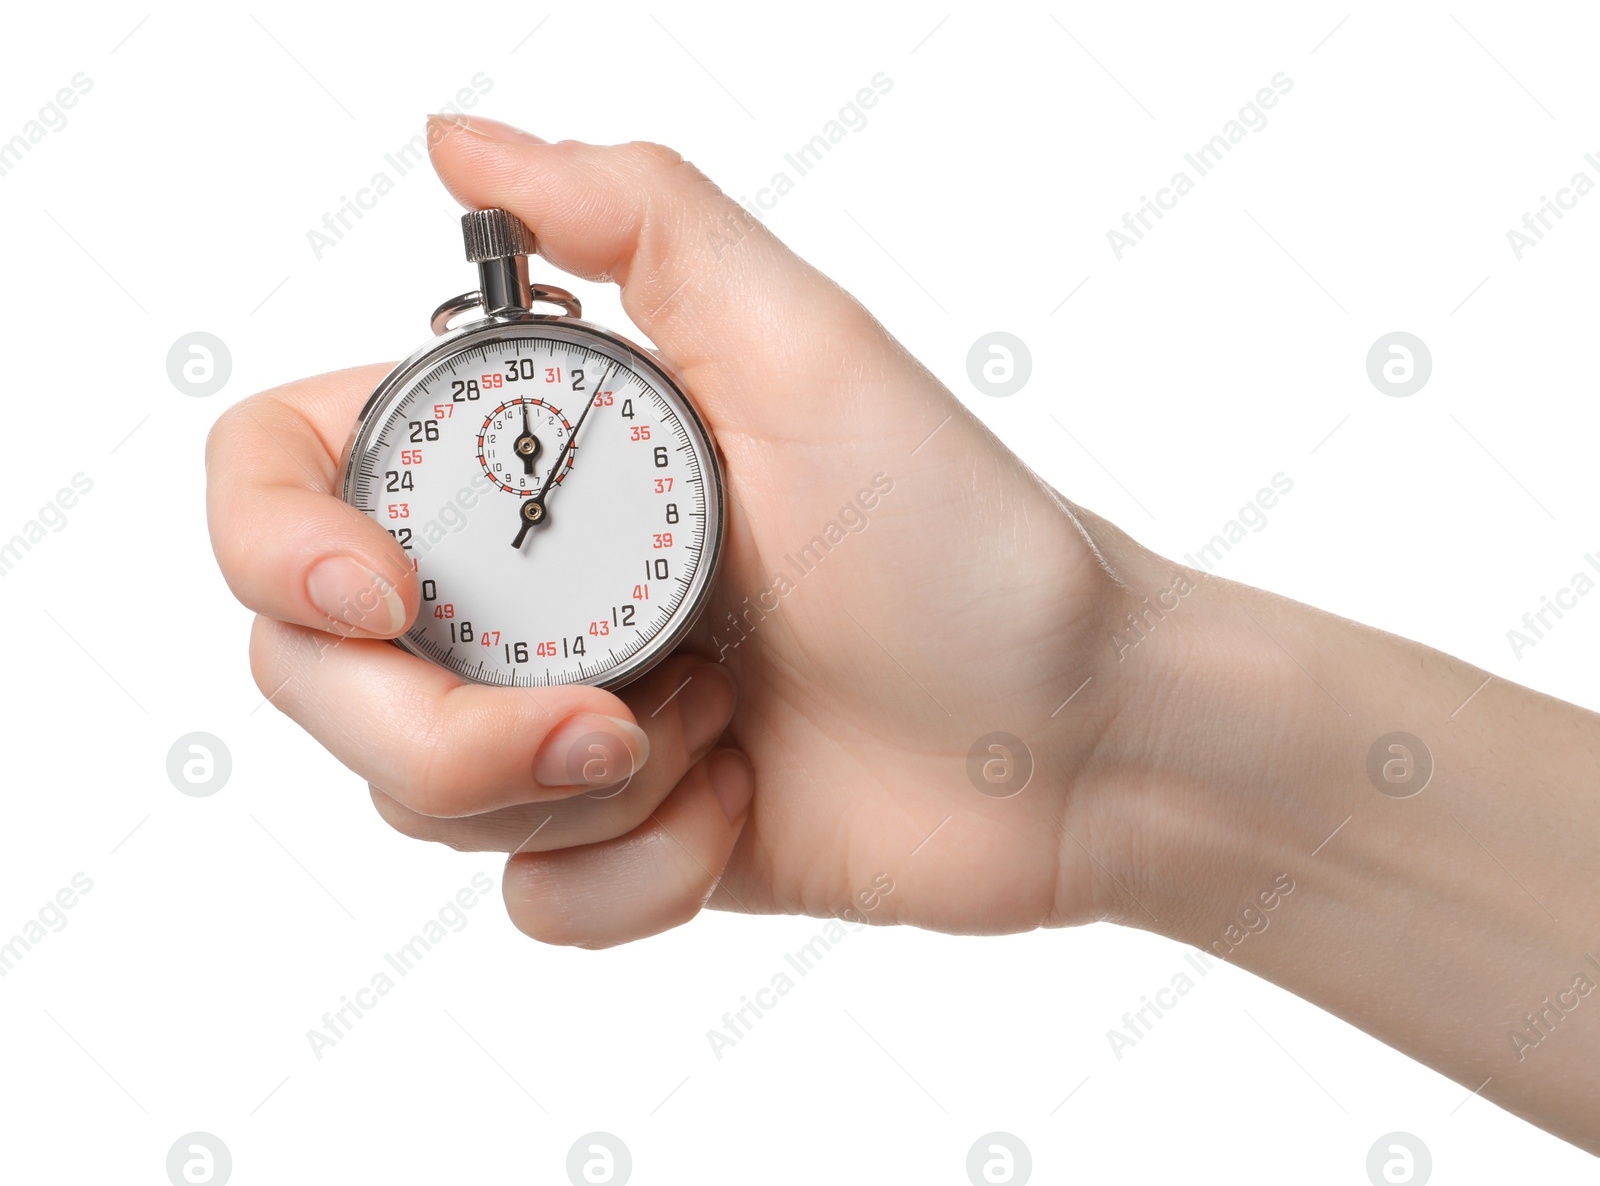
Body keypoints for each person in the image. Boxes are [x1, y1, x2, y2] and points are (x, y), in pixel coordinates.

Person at [204, 114, 1600, 1154]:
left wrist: (1102, 730)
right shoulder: (480, 433)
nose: (528, 507)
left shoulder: (624, 434)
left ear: (589, 379)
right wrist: (1098, 743)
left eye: (557, 458)